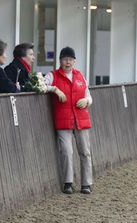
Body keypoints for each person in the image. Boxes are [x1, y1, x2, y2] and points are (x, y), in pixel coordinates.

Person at [45, 46, 93, 194]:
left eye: (70, 59)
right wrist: (54, 89)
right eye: (65, 59)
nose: (68, 62)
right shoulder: (52, 75)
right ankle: (68, 182)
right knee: (66, 151)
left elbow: (89, 95)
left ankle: (87, 183)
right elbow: (42, 86)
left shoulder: (80, 76)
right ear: (60, 60)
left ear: (74, 61)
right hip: (63, 120)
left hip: (80, 119)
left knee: (85, 152)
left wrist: (86, 101)